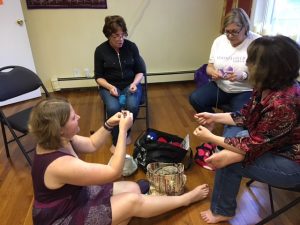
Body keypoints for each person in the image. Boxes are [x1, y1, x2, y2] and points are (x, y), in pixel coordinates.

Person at [29, 97, 209, 225]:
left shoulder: (58, 139)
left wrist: (109, 124)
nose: (79, 118)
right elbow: (113, 172)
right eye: (73, 118)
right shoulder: (59, 165)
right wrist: (123, 131)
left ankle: (126, 212)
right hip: (62, 217)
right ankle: (185, 199)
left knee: (132, 188)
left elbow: (91, 144)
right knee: (132, 201)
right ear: (59, 129)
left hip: (75, 197)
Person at [192, 35, 300, 223]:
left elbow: (253, 144)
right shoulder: (265, 86)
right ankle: (228, 158)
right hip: (274, 145)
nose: (247, 64)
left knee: (228, 161)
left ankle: (222, 210)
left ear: (270, 69)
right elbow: (245, 116)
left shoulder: (284, 102)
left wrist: (211, 137)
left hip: (292, 163)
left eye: (252, 61)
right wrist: (214, 116)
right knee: (231, 146)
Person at [189, 8, 261, 137]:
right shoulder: (219, 41)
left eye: (234, 32)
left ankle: (228, 131)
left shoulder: (257, 42)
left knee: (233, 130)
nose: (230, 36)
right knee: (195, 98)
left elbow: (263, 73)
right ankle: (211, 121)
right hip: (221, 87)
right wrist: (213, 73)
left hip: (246, 91)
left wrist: (243, 75)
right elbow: (209, 67)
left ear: (245, 28)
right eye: (227, 31)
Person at [94, 15, 146, 153]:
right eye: (116, 36)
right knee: (112, 108)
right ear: (108, 35)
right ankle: (117, 139)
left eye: (122, 35)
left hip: (130, 83)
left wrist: (135, 83)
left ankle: (126, 133)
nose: (120, 39)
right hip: (109, 85)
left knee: (133, 105)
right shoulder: (100, 51)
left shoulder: (131, 47)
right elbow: (98, 77)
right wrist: (110, 87)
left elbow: (141, 71)